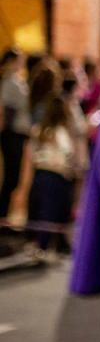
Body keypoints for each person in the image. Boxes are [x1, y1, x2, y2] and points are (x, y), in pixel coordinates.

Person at [23, 94, 87, 257]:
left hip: (41, 174)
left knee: (44, 211)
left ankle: (45, 243)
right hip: (57, 177)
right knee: (52, 211)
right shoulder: (62, 133)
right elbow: (70, 157)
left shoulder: (40, 130)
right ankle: (45, 244)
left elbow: (31, 154)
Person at [0, 49, 31, 221]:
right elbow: (7, 110)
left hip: (17, 134)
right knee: (11, 178)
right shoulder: (9, 81)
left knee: (15, 178)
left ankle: (5, 215)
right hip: (12, 134)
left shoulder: (17, 80)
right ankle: (3, 216)